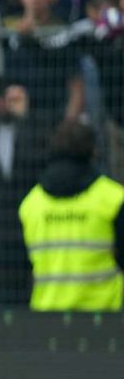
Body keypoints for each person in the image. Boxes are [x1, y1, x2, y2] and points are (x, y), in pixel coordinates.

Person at [19, 122, 124, 311]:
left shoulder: (31, 204)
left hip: (47, 314)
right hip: (106, 315)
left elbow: (23, 267)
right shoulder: (113, 198)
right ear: (93, 151)